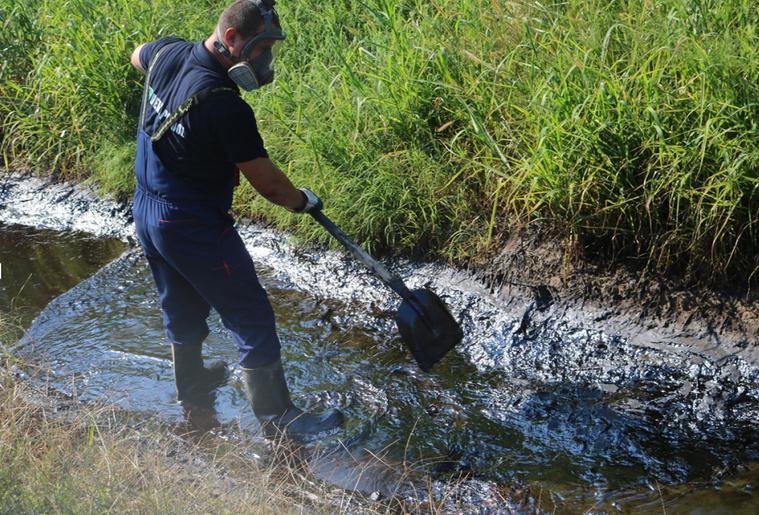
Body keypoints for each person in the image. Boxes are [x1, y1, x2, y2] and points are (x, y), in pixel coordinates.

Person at [129, 0, 342, 439]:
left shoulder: (168, 52)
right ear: (232, 40)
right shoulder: (226, 106)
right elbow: (270, 187)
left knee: (180, 303)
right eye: (263, 49)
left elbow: (138, 53)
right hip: (192, 224)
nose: (267, 61)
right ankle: (279, 420)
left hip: (148, 212)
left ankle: (192, 387)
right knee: (250, 314)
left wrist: (163, 89)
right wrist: (302, 201)